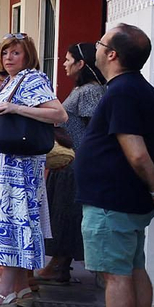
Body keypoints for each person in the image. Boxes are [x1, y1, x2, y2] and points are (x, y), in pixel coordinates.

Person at [63, 24, 154, 307]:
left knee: (115, 275)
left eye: (101, 43)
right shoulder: (138, 89)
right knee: (133, 269)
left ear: (113, 54)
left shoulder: (122, 93)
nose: (97, 47)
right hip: (123, 199)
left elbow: (137, 153)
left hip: (112, 201)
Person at [0, 33, 67, 307]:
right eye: (5, 53)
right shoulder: (12, 81)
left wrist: (16, 108)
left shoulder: (33, 79)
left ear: (28, 56)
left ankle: (4, 293)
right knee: (9, 223)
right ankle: (21, 288)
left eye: (16, 53)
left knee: (11, 225)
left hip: (16, 170)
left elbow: (59, 114)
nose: (9, 58)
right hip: (1, 168)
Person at [39, 43, 106, 283]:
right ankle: (59, 264)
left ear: (81, 64)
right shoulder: (82, 90)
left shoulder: (90, 91)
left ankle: (59, 265)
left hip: (77, 164)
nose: (64, 64)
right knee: (60, 213)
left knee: (65, 215)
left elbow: (93, 129)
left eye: (68, 59)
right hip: (68, 163)